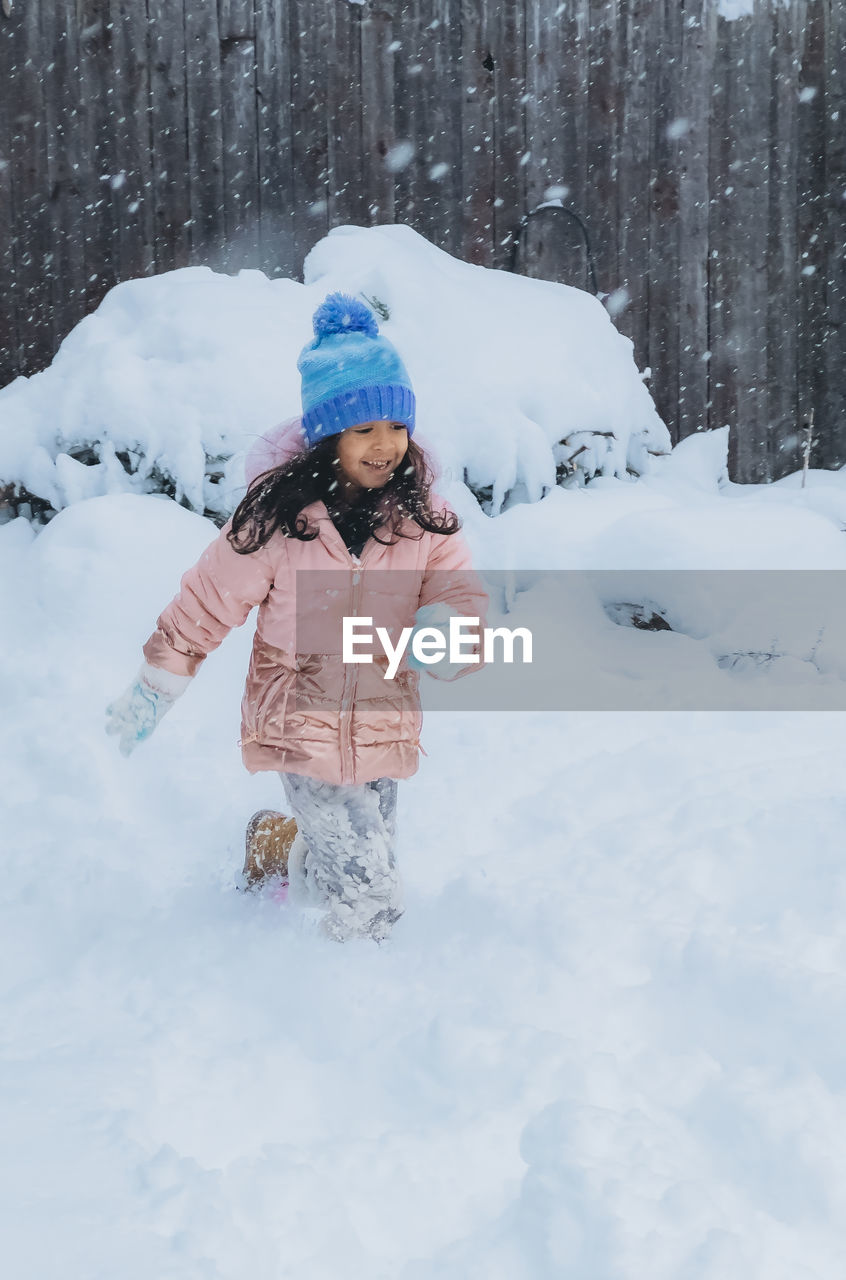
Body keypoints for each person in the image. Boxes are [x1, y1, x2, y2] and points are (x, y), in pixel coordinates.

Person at [106, 293, 485, 942]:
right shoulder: (278, 523)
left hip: (382, 728)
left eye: (396, 427)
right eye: (364, 429)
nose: (385, 445)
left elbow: (460, 595)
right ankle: (348, 1008)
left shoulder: (424, 519)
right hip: (300, 728)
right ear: (328, 436)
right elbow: (206, 603)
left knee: (363, 860)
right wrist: (154, 685)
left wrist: (446, 630)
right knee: (371, 894)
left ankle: (276, 847)